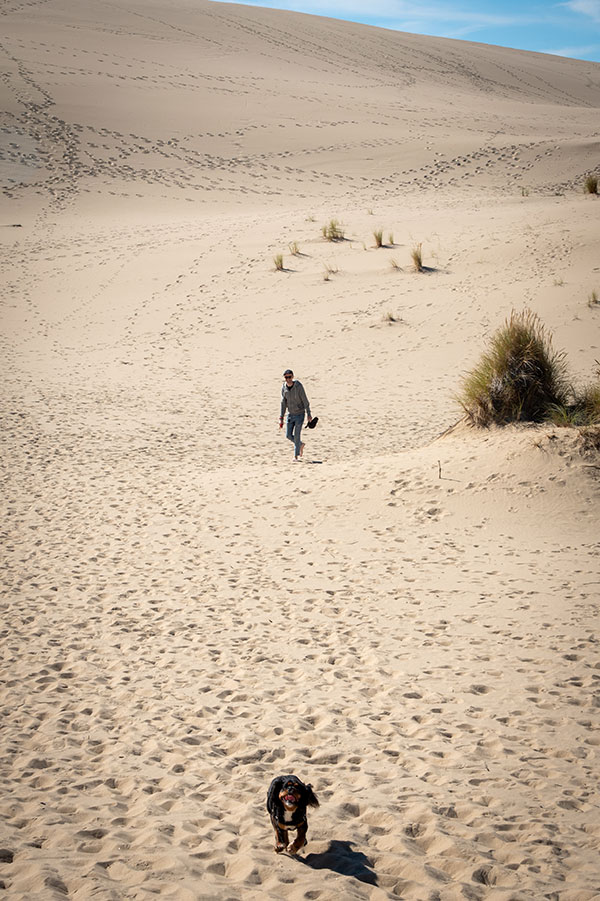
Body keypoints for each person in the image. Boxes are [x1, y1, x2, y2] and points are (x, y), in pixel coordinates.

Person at [279, 369, 312, 461]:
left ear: (293, 377)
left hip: (300, 414)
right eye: (286, 377)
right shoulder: (284, 388)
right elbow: (283, 403)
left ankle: (296, 456)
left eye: (289, 377)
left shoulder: (298, 386)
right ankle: (300, 444)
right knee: (288, 435)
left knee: (297, 435)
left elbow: (305, 400)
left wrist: (309, 414)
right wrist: (281, 417)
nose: (288, 379)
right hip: (290, 414)